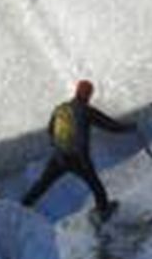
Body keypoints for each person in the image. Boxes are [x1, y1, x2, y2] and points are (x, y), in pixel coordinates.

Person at [21, 79, 136, 218]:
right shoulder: (86, 111)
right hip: (79, 159)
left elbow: (50, 130)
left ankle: (22, 206)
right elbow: (111, 126)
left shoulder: (61, 108)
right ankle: (103, 214)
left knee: (42, 185)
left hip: (58, 157)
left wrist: (58, 147)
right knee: (96, 187)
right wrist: (130, 127)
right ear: (88, 95)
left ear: (76, 91)